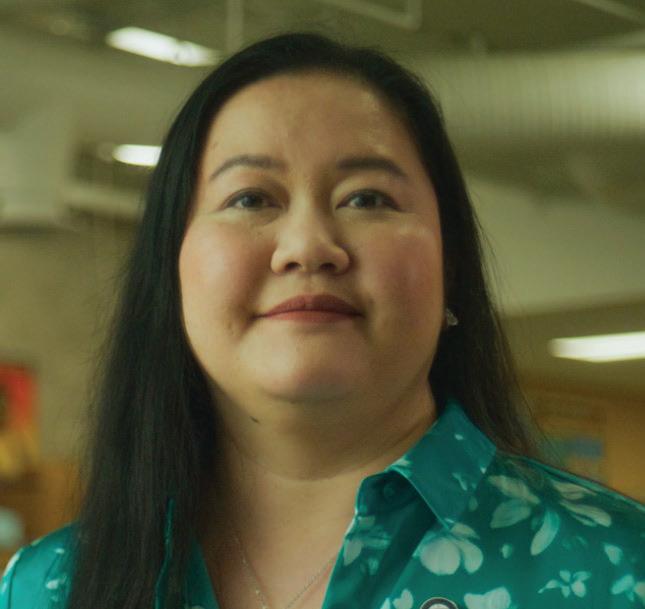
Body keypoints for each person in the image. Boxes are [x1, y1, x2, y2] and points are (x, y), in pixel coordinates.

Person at [1, 31, 643, 609]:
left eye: (367, 198)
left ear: (451, 268)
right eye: (250, 198)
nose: (308, 245)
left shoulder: (618, 570)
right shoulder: (47, 589)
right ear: (171, 272)